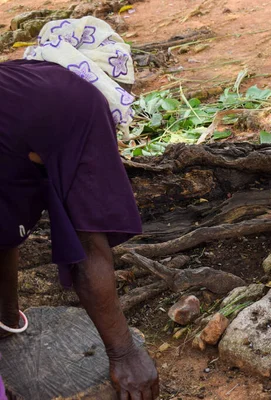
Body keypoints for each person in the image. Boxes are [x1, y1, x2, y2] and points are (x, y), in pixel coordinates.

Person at [0, 17, 158, 400]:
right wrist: (124, 352)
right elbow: (90, 246)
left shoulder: (23, 84)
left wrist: (7, 320)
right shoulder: (83, 103)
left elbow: (4, 228)